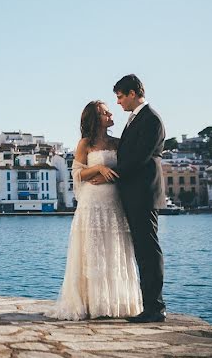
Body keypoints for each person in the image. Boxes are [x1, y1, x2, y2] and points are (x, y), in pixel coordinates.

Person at [47, 101, 143, 320]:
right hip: (92, 202)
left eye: (108, 110)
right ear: (94, 119)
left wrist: (111, 172)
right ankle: (91, 303)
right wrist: (98, 168)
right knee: (92, 251)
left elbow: (128, 168)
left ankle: (113, 303)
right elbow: (77, 174)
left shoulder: (120, 142)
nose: (110, 113)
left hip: (114, 202)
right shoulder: (85, 144)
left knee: (113, 248)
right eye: (103, 112)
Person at [113, 74, 167, 323]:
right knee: (143, 250)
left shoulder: (151, 119)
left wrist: (110, 175)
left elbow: (139, 158)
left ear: (133, 93)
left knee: (148, 249)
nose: (119, 102)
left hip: (143, 192)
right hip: (135, 192)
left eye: (121, 96)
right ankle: (150, 306)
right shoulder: (137, 119)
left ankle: (155, 308)